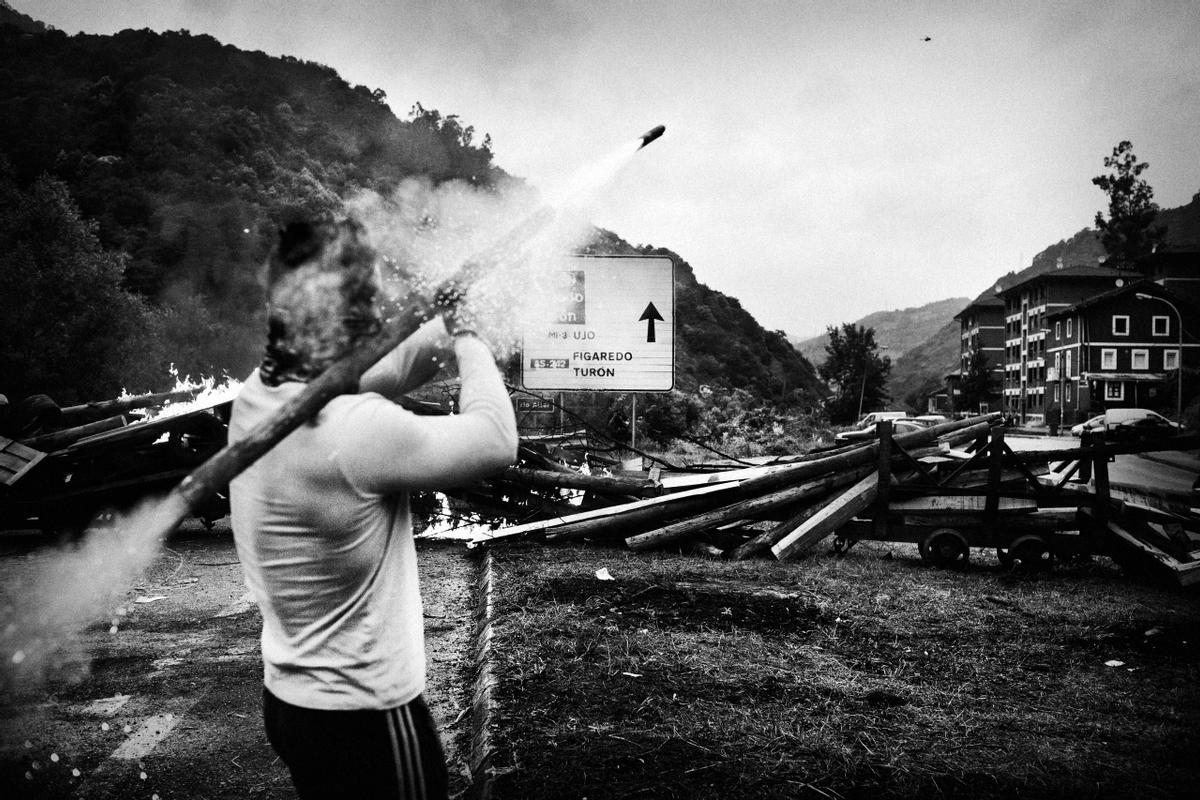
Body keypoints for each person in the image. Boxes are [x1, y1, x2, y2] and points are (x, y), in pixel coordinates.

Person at [228, 217, 518, 799]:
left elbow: (377, 368)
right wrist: (467, 336)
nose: (374, 308)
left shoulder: (261, 396)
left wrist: (440, 320)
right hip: (367, 719)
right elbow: (495, 438)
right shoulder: (355, 432)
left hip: (294, 703)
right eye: (364, 298)